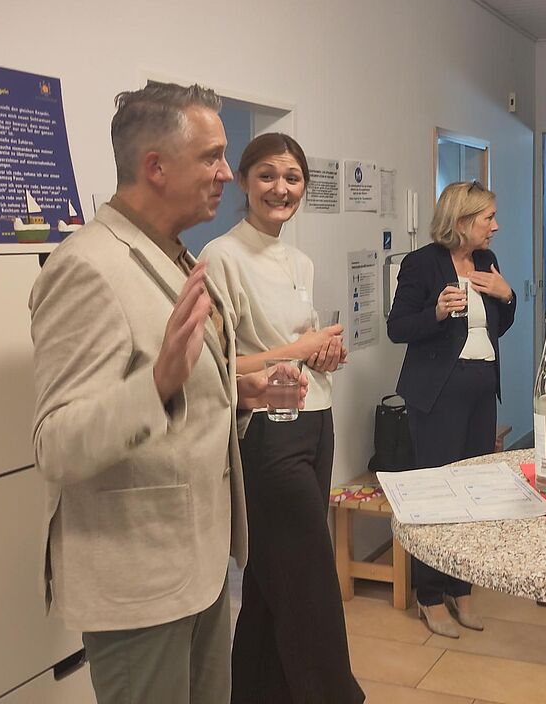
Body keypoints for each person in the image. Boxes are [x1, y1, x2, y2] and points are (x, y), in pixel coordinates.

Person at [30, 82, 304, 704]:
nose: (226, 174)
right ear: (156, 167)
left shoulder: (175, 256)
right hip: (140, 583)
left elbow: (185, 385)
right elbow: (56, 445)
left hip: (199, 566)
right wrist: (158, 386)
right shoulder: (87, 267)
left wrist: (240, 391)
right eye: (211, 157)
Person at [200, 133, 363, 703]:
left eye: (292, 178)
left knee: (273, 583)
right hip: (266, 431)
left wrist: (324, 353)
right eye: (267, 175)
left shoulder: (300, 261)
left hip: (315, 418)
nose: (280, 188)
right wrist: (299, 349)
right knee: (309, 581)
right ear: (243, 182)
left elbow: (297, 347)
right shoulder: (221, 256)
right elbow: (215, 364)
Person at [387, 180, 517, 638]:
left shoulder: (486, 261)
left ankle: (461, 589)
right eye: (488, 218)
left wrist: (506, 294)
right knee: (437, 496)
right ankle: (429, 595)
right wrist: (437, 313)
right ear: (462, 221)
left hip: (481, 393)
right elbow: (398, 327)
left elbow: (500, 324)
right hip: (437, 396)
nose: (495, 226)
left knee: (474, 493)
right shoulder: (422, 264)